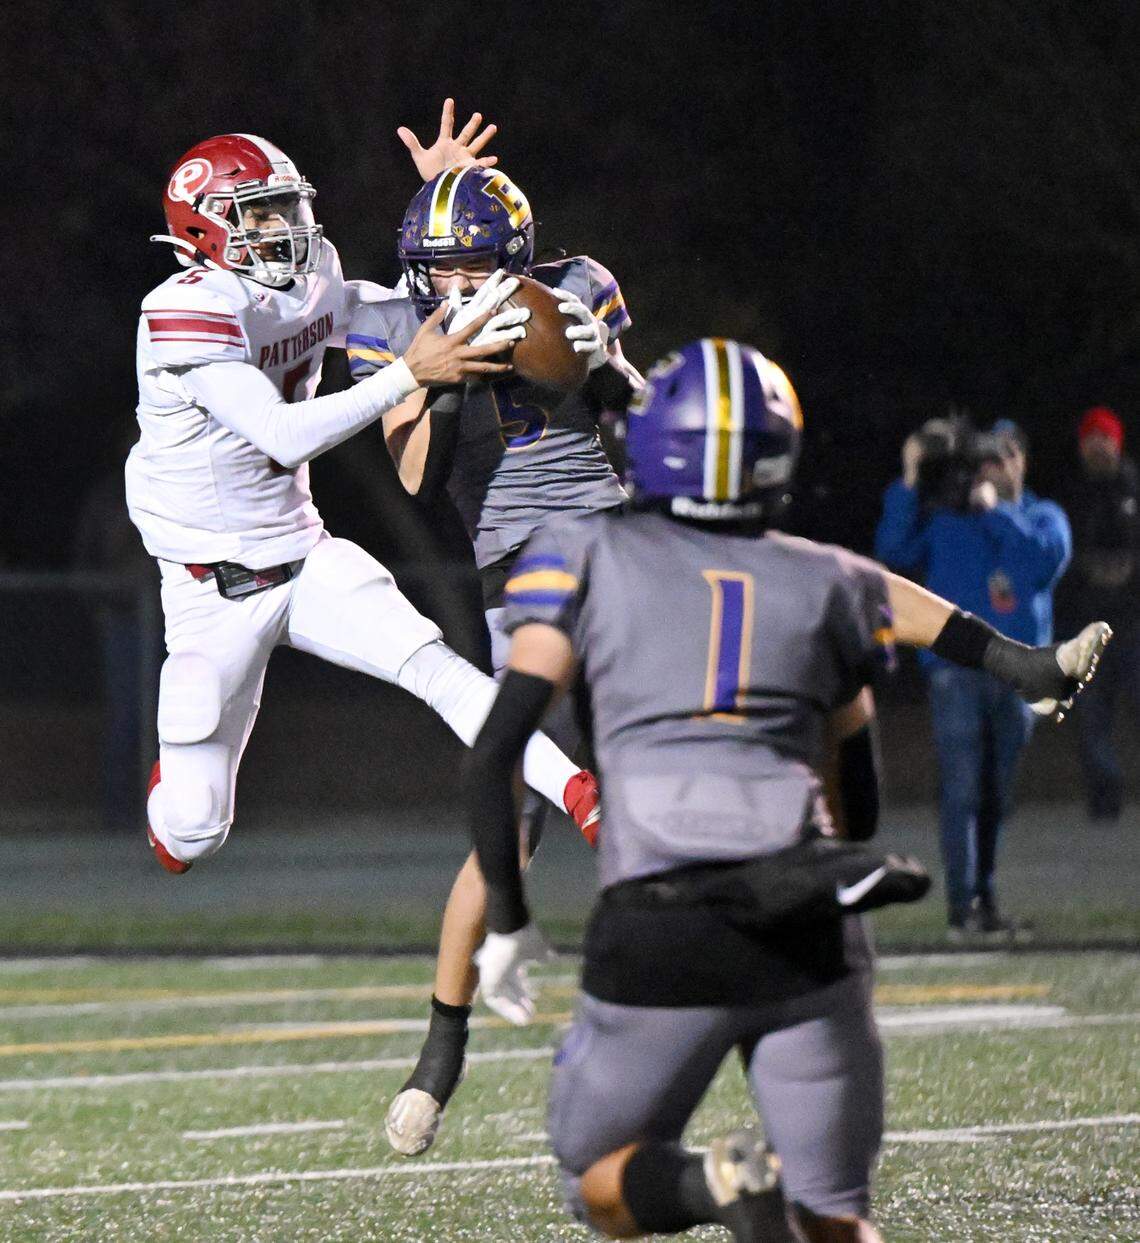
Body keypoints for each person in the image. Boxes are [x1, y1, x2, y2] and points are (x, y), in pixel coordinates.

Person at [460, 339, 1108, 1242]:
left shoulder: (578, 553)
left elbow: (496, 751)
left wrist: (510, 921)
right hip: (809, 920)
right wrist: (1016, 662)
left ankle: (707, 1188)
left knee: (596, 1181)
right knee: (836, 1217)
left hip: (663, 919)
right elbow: (860, 790)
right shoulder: (823, 577)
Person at [128, 118, 601, 877]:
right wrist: (410, 374)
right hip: (207, 592)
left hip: (303, 555)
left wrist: (446, 219)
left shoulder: (315, 272)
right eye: (257, 215)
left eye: (284, 207)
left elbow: (392, 310)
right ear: (204, 227)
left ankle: (585, 798)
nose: (281, 227)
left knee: (437, 668)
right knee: (192, 832)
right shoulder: (183, 309)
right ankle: (175, 796)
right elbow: (282, 433)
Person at [347, 165, 641, 1155]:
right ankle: (441, 1051)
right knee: (508, 820)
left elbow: (614, 390)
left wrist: (590, 356)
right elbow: (416, 471)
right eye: (437, 269)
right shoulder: (402, 326)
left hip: (626, 551)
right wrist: (430, 377)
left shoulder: (573, 284)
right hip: (523, 578)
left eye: (471, 265)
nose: (449, 286)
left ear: (511, 259)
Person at [874, 417, 1072, 939]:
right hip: (955, 671)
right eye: (985, 458)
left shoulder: (1041, 515)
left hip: (1018, 674)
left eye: (1005, 455)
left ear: (1022, 462)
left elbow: (1041, 565)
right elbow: (892, 552)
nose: (994, 466)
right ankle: (963, 909)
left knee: (996, 793)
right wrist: (911, 476)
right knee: (962, 787)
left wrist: (998, 513)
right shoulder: (946, 517)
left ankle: (985, 899)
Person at [1057, 406, 1140, 822]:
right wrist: (1089, 570)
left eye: (1103, 438)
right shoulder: (1073, 494)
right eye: (1089, 439)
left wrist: (1127, 568)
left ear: (1117, 441)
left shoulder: (1133, 487)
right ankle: (1105, 801)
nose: (1097, 447)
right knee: (1091, 721)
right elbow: (1061, 557)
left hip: (1134, 622)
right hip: (1088, 626)